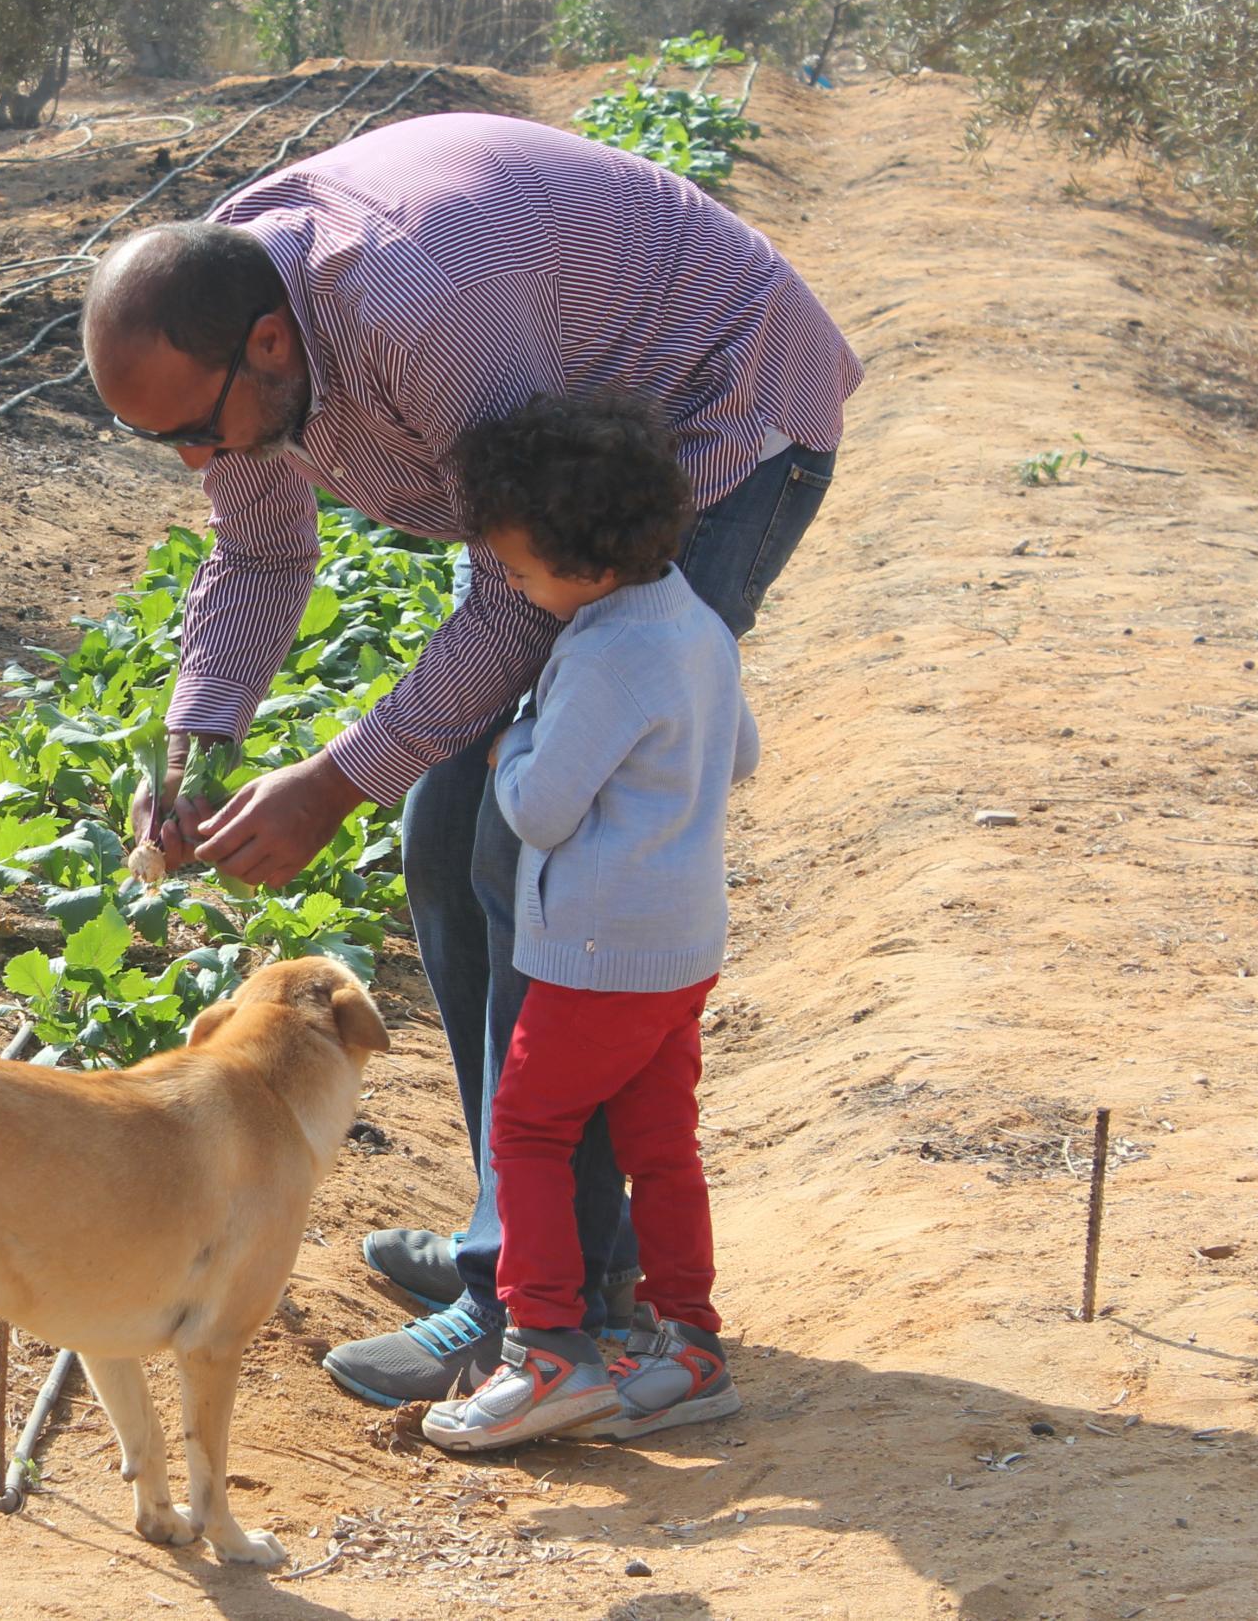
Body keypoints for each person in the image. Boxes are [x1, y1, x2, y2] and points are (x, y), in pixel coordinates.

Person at [82, 110, 860, 1407]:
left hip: (711, 419)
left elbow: (517, 599)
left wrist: (331, 780)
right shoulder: (234, 334)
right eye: (167, 441)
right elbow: (264, 550)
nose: (196, 461)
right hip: (561, 440)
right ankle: (528, 1218)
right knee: (441, 840)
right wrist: (196, 746)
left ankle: (545, 1307)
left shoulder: (420, 304)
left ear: (268, 347)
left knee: (541, 852)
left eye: (200, 432)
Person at [417, 394, 750, 1449]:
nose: (514, 588)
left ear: (587, 565)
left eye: (519, 571)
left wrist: (511, 749)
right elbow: (737, 752)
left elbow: (541, 809)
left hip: (596, 952)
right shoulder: (693, 618)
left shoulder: (604, 656)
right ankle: (690, 1347)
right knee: (660, 1146)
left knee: (529, 1129)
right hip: (682, 943)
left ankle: (548, 1351)